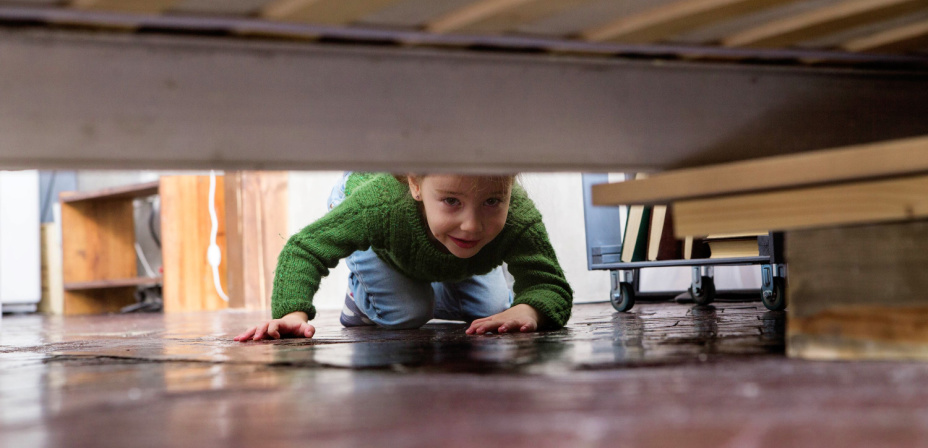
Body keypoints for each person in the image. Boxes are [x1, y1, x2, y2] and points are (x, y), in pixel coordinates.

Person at [234, 172, 572, 341]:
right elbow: (305, 248)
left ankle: (425, 280)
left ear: (510, 188)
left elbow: (549, 284)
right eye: (451, 201)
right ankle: (360, 297)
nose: (471, 226)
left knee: (491, 314)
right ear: (415, 183)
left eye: (492, 202)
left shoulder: (518, 218)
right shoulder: (380, 206)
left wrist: (529, 308)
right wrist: (292, 314)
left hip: (437, 252)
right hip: (378, 228)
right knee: (408, 311)